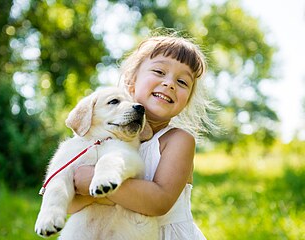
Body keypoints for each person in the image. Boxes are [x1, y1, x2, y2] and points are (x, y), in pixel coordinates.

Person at [69, 30, 214, 240]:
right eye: (159, 71)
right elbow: (71, 203)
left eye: (182, 82)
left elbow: (158, 201)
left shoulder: (178, 140)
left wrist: (94, 180)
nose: (170, 83)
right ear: (131, 82)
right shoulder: (109, 135)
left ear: (187, 100)